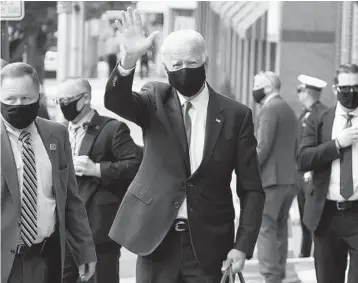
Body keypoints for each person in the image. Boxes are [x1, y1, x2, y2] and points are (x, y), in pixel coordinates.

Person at [104, 7, 265, 283]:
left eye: (191, 63)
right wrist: (129, 59)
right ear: (165, 67)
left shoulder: (236, 115)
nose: (184, 71)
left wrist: (243, 244)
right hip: (156, 239)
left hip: (209, 246)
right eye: (176, 65)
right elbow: (116, 102)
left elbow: (251, 189)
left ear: (205, 62)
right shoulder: (155, 99)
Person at [0, 62, 97, 283]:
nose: (18, 104)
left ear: (39, 97)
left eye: (25, 98)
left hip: (47, 259)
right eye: (10, 99)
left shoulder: (56, 134)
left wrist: (85, 249)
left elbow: (70, 198)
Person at [55, 77, 143, 283]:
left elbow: (135, 164)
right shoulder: (58, 130)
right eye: (58, 100)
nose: (62, 106)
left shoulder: (112, 129)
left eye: (67, 100)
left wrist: (97, 169)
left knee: (102, 278)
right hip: (64, 227)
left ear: (85, 99)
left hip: (98, 227)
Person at [297, 64, 358, 283]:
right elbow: (302, 159)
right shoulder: (320, 119)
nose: (351, 93)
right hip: (327, 215)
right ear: (335, 89)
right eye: (345, 88)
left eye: (356, 87)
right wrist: (337, 144)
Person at [252, 71, 298, 283]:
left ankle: (270, 275)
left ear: (269, 86)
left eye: (257, 84)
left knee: (266, 228)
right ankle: (277, 273)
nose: (254, 88)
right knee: (279, 227)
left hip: (271, 180)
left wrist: (247, 171)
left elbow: (262, 147)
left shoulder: (269, 110)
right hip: (289, 179)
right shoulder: (288, 109)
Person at [295, 74, 328, 258]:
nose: (298, 94)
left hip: (312, 174)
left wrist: (311, 169)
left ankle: (316, 253)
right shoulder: (305, 113)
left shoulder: (322, 114)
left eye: (300, 90)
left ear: (308, 92)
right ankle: (305, 251)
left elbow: (319, 146)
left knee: (313, 215)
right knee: (303, 215)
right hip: (301, 174)